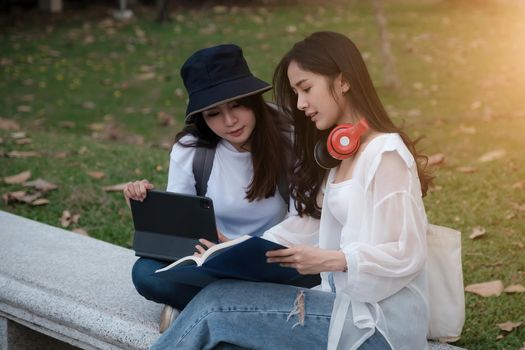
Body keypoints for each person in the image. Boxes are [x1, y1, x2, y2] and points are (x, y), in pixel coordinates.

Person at [150, 31, 434, 350]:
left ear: (343, 80)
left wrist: (333, 260)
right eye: (297, 93)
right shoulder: (340, 153)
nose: (300, 104)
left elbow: (407, 252)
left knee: (216, 306)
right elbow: (309, 223)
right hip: (340, 304)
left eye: (306, 88)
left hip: (377, 324)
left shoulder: (386, 154)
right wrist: (238, 247)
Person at [123, 44, 292, 333]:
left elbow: (307, 220)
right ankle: (248, 310)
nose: (229, 122)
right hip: (211, 260)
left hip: (273, 260)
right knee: (145, 273)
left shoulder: (290, 138)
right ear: (202, 117)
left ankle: (210, 309)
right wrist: (145, 205)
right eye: (214, 113)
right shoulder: (191, 150)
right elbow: (181, 227)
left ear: (253, 99)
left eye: (237, 104)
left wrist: (239, 248)